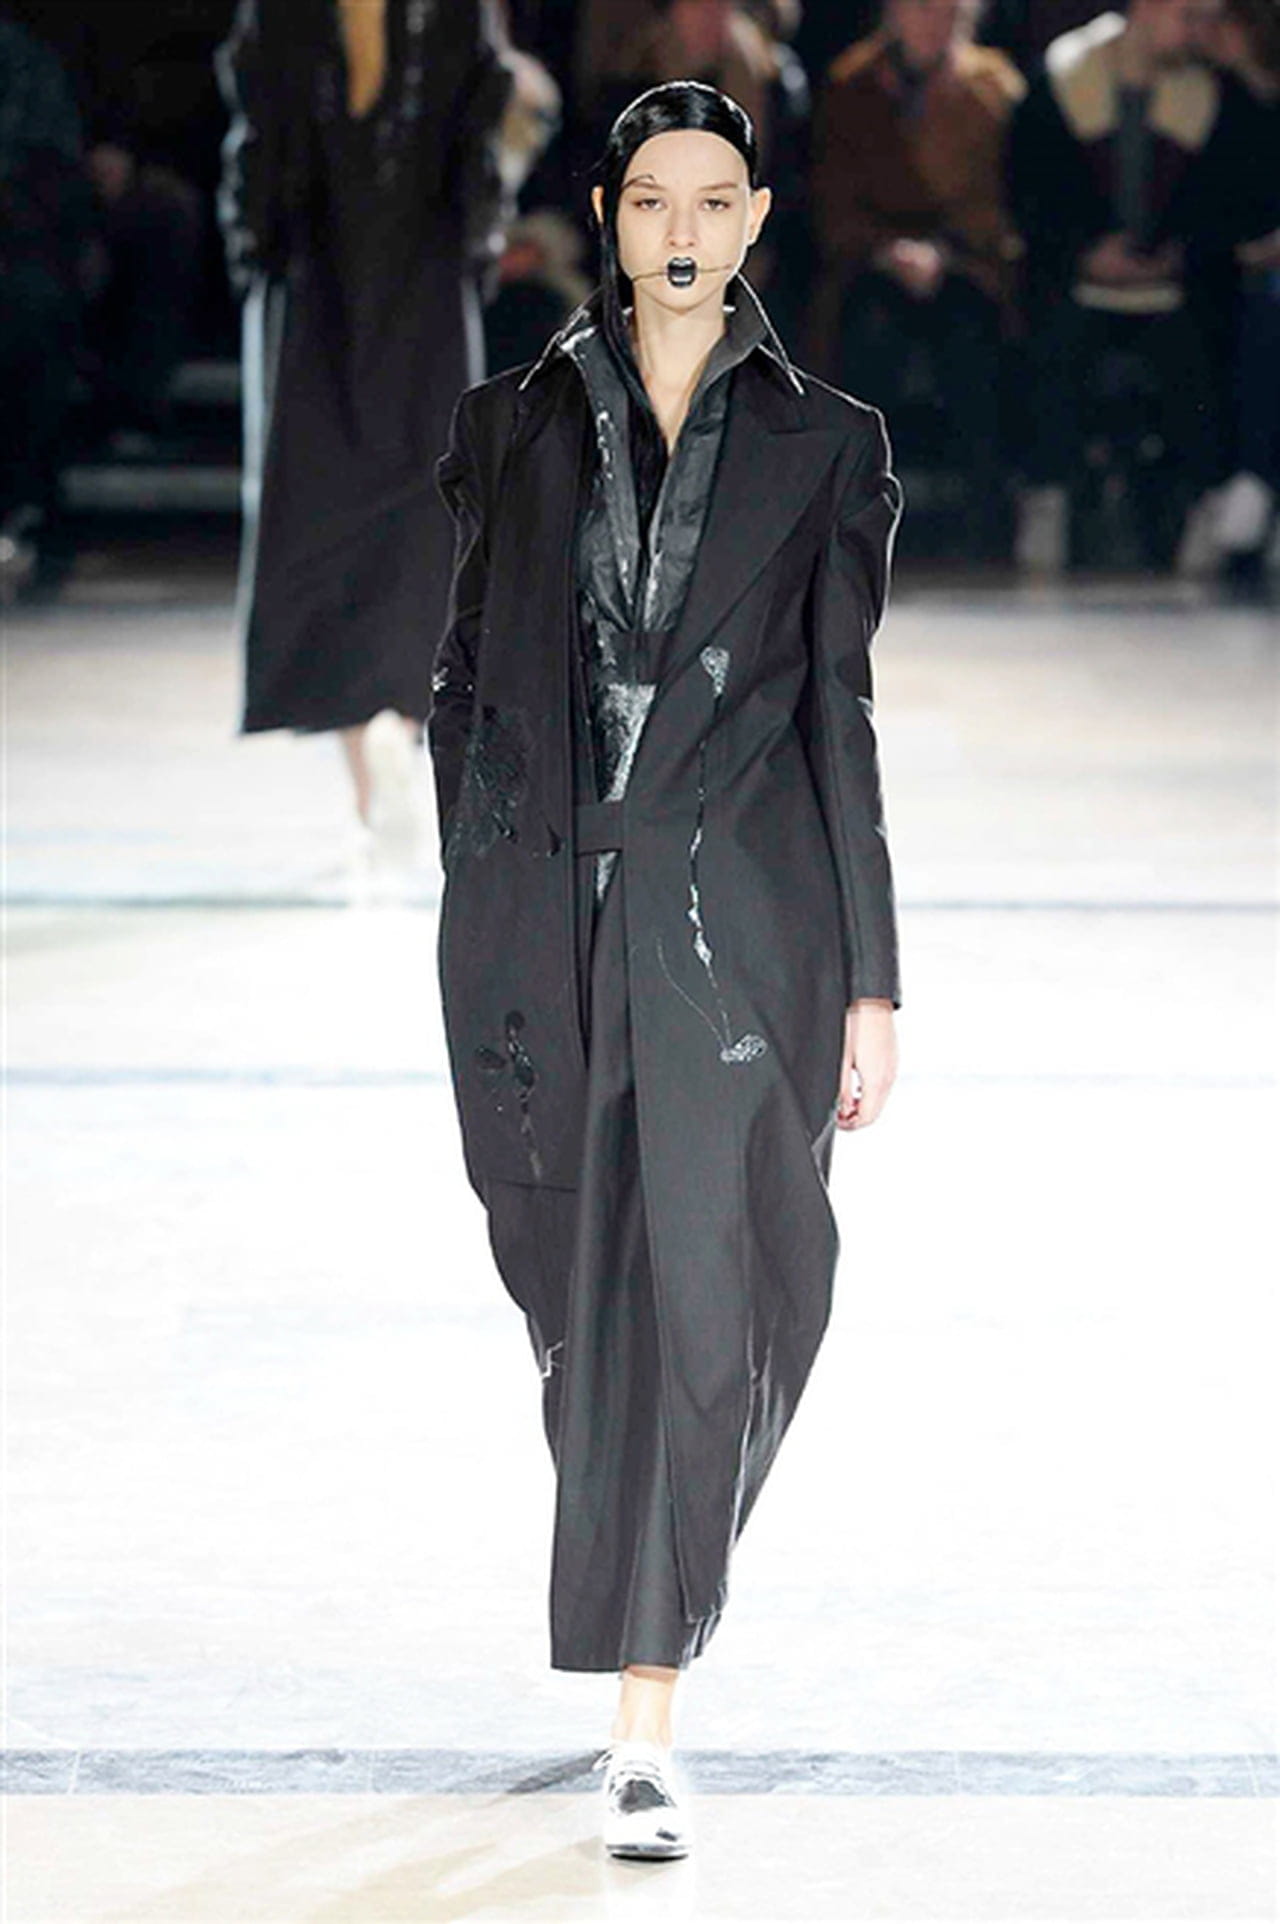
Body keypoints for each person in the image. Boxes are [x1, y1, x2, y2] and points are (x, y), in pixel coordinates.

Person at [430, 81, 902, 1861]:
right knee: (581, 1302)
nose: (683, 231)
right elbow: (464, 680)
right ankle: (640, 1642)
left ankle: (647, 1714)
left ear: (759, 217)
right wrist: (490, 881)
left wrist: (871, 979)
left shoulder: (830, 443)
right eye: (650, 201)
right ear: (611, 219)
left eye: (715, 199)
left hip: (743, 934)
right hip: (544, 934)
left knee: (719, 1298)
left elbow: (841, 716)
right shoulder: (512, 425)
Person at [215, 0, 516, 882]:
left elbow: (475, 126)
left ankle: (384, 764)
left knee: (379, 515)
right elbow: (264, 132)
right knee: (372, 514)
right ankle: (382, 755)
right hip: (366, 280)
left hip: (368, 279)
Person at [1007, 0, 1280, 572]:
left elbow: (1236, 201)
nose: (1200, 33)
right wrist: (1082, 252)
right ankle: (1047, 496)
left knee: (1204, 345)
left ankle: (1208, 504)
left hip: (1177, 283)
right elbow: (1029, 192)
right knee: (1053, 338)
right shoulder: (1063, 76)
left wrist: (1181, 253)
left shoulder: (1213, 92)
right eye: (1189, 17)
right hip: (1078, 277)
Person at [809, 0, 1025, 555]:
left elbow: (1004, 196)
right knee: (869, 338)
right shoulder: (852, 85)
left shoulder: (993, 88)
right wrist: (887, 249)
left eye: (945, 11)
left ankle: (985, 521)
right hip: (873, 260)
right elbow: (834, 193)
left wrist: (946, 253)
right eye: (920, 8)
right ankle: (857, 513)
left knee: (971, 343)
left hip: (965, 260)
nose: (932, 21)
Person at [0, 16, 91, 596]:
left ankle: (25, 513)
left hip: (16, 247)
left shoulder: (17, 55)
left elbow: (46, 163)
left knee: (33, 310)